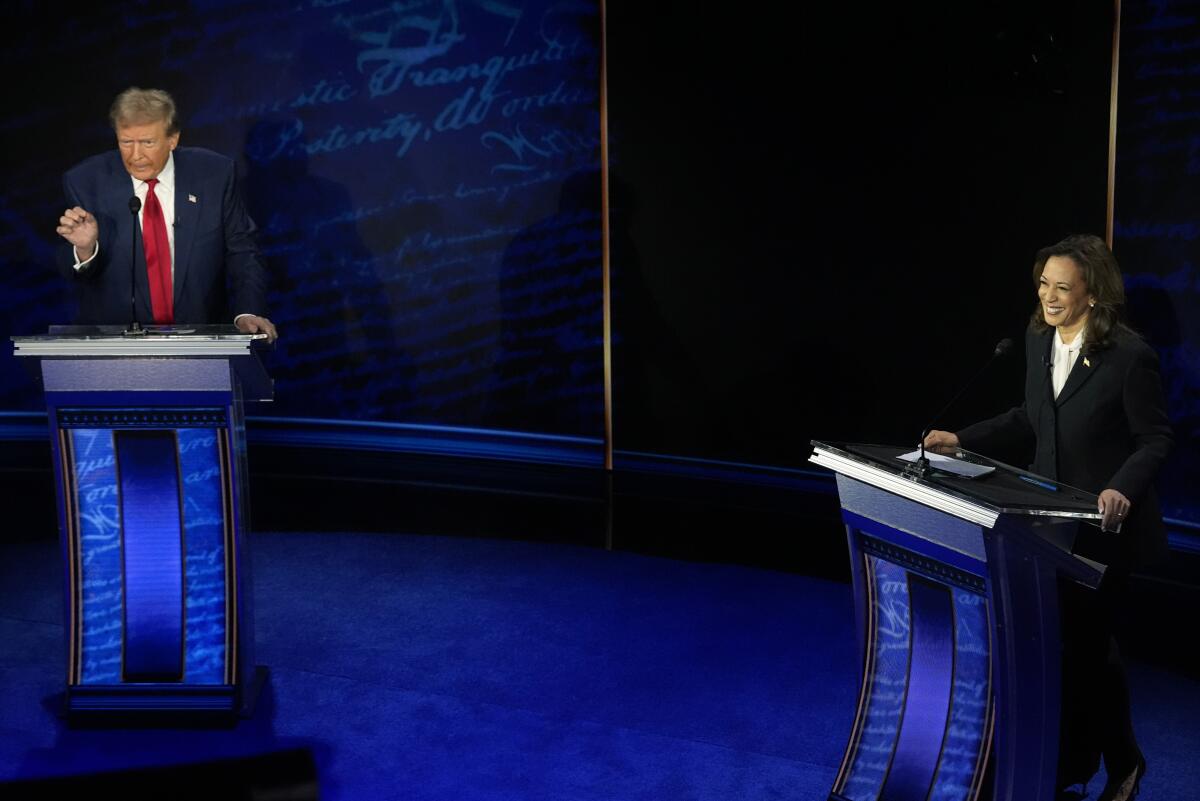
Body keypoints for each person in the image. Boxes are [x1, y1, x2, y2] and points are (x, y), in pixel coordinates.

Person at [924, 234, 1172, 801]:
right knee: (1066, 645)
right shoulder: (1039, 339)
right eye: (1044, 284)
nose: (1049, 296)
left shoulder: (1130, 357)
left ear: (1093, 295)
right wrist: (961, 439)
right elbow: (1028, 416)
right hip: (1043, 524)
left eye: (1064, 287)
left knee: (1087, 645)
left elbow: (1156, 439)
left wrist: (1120, 489)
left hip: (1105, 530)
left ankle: (1122, 763)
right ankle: (1074, 764)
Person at [55, 87, 277, 342]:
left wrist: (247, 311)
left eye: (147, 142)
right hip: (115, 345)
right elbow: (66, 267)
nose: (135, 155)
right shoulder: (85, 181)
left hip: (202, 340)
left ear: (173, 139)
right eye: (126, 142)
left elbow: (243, 250)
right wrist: (85, 249)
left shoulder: (214, 174)